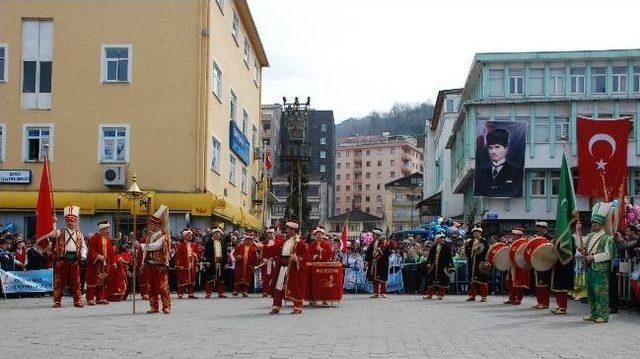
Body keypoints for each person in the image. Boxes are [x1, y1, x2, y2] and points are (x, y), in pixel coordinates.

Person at [36, 206, 87, 308]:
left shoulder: (79, 234)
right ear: (65, 221)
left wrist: (83, 254)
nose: (70, 223)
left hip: (74, 260)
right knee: (59, 281)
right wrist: (54, 221)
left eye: (72, 221)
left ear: (75, 222)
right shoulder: (60, 232)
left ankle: (77, 301)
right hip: (62, 260)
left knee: (76, 282)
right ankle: (57, 301)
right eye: (68, 221)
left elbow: (83, 246)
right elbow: (51, 233)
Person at [255, 219, 308, 314]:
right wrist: (263, 247)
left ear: (293, 230)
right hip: (282, 267)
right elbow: (274, 249)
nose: (286, 230)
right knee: (278, 287)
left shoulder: (300, 243)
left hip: (292, 269)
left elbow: (305, 256)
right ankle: (276, 306)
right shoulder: (285, 241)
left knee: (295, 287)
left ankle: (297, 307)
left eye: (288, 229)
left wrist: (297, 258)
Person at [581, 202, 615, 324]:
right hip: (589, 268)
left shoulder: (607, 238)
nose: (593, 225)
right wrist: (578, 232)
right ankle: (594, 313)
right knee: (590, 291)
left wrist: (593, 257)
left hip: (600, 268)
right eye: (593, 223)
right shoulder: (589, 236)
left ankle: (603, 315)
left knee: (601, 292)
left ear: (601, 224)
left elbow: (608, 254)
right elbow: (581, 247)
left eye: (595, 223)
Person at [141, 205, 172, 314]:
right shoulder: (149, 236)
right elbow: (146, 252)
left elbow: (155, 246)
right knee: (151, 288)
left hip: (159, 265)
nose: (150, 226)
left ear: (157, 225)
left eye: (152, 224)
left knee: (162, 286)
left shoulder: (163, 236)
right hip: (150, 265)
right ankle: (154, 306)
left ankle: (166, 306)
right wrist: (142, 262)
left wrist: (140, 245)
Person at [475, 128, 523, 197]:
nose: (493, 151)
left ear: (506, 149)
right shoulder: (482, 172)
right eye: (490, 148)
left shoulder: (516, 171)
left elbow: (515, 192)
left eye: (497, 147)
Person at [86, 221, 114, 306]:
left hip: (105, 263)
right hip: (95, 263)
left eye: (108, 229)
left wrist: (111, 262)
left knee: (103, 281)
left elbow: (111, 252)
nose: (108, 231)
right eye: (106, 229)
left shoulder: (108, 240)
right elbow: (91, 251)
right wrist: (98, 256)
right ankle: (90, 298)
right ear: (101, 229)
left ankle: (100, 298)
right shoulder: (94, 238)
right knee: (93, 281)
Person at [306, 226, 334, 306]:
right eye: (317, 234)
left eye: (320, 234)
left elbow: (329, 254)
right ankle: (313, 300)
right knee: (313, 284)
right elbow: (308, 255)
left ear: (323, 235)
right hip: (314, 267)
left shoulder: (326, 244)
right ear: (315, 236)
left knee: (324, 284)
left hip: (324, 267)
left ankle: (324, 300)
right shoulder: (312, 245)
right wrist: (314, 256)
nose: (319, 236)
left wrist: (322, 251)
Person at [504, 227, 530, 305]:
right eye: (513, 234)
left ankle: (518, 299)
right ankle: (511, 298)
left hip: (520, 265)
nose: (512, 236)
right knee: (512, 282)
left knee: (519, 283)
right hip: (513, 265)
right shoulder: (513, 243)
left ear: (518, 235)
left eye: (514, 235)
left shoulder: (524, 242)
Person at [364, 228, 393, 299]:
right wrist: (366, 260)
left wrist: (381, 251)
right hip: (374, 263)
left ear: (378, 235)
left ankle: (383, 293)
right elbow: (368, 252)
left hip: (382, 263)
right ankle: (376, 293)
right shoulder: (372, 243)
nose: (373, 236)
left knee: (382, 279)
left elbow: (389, 252)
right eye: (373, 234)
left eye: (374, 234)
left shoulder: (384, 242)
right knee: (374, 279)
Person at [423, 233, 454, 300]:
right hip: (433, 267)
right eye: (441, 238)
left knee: (442, 281)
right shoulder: (433, 247)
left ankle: (441, 295)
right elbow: (430, 257)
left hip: (442, 267)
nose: (442, 239)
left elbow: (449, 258)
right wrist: (428, 263)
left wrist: (450, 266)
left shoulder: (446, 247)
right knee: (430, 281)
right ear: (437, 239)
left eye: (443, 238)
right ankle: (429, 295)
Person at [531, 221, 553, 310]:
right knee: (537, 283)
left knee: (543, 284)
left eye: (540, 228)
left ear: (545, 229)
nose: (538, 229)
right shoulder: (535, 238)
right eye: (537, 228)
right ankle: (539, 302)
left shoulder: (550, 238)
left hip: (545, 264)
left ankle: (545, 303)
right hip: (536, 263)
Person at [465, 226, 489, 302]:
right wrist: (469, 249)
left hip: (481, 264)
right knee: (472, 281)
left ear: (480, 233)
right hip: (472, 264)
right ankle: (472, 296)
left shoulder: (484, 241)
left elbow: (487, 252)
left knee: (482, 280)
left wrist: (486, 261)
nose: (475, 234)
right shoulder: (470, 242)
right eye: (474, 232)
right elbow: (467, 252)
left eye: (477, 232)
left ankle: (484, 296)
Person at [204, 227, 228, 298]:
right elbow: (206, 253)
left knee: (221, 278)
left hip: (220, 263)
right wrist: (207, 261)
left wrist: (225, 262)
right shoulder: (209, 243)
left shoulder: (222, 243)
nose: (217, 235)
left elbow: (224, 253)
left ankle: (221, 293)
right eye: (216, 234)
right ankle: (208, 293)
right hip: (212, 262)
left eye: (219, 234)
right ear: (213, 234)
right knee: (210, 278)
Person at [233, 231, 259, 297]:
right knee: (238, 277)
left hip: (248, 266)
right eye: (247, 240)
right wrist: (237, 257)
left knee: (247, 279)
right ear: (244, 240)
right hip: (240, 265)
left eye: (249, 240)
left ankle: (245, 291)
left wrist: (254, 265)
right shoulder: (239, 247)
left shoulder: (253, 249)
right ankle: (236, 290)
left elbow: (255, 258)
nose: (248, 241)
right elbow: (234, 254)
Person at [175, 229, 199, 299]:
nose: (189, 236)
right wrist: (180, 265)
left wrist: (195, 255)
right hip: (184, 264)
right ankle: (180, 294)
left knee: (191, 279)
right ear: (184, 236)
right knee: (182, 279)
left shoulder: (193, 245)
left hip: (192, 264)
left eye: (190, 235)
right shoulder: (181, 245)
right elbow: (179, 256)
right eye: (188, 235)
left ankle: (191, 293)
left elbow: (197, 254)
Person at [259, 227, 277, 297]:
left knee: (274, 277)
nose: (269, 235)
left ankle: (272, 292)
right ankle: (265, 291)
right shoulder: (263, 243)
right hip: (265, 263)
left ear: (273, 234)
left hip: (274, 263)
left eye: (271, 234)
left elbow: (279, 253)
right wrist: (263, 259)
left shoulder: (277, 242)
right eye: (268, 234)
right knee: (265, 278)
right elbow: (261, 252)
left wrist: (274, 258)